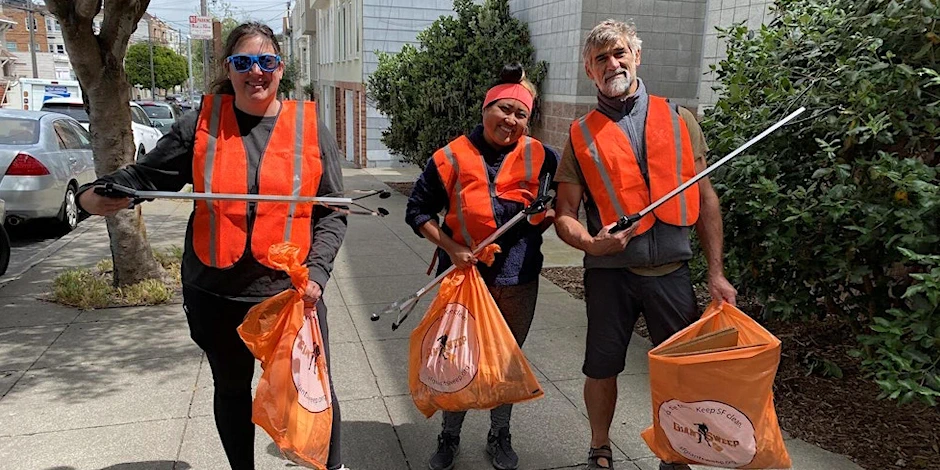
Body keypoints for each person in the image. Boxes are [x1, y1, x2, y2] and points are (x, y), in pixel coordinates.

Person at [76, 22, 349, 470]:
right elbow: (145, 177)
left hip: (292, 296)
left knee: (314, 390)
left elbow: (334, 211)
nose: (255, 71)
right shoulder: (201, 122)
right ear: (229, 68)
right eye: (243, 62)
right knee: (231, 388)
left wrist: (317, 273)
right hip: (215, 294)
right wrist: (97, 194)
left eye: (266, 61)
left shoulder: (310, 126)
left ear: (281, 67)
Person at [552, 20, 738, 470]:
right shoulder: (579, 136)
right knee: (601, 368)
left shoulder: (679, 119)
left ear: (636, 57)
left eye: (619, 53)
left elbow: (706, 197)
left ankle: (676, 452)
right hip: (609, 276)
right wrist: (592, 246)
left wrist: (715, 272)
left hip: (672, 272)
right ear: (589, 71)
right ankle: (599, 446)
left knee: (679, 371)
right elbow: (564, 215)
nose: (612, 63)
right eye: (601, 59)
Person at [405, 63, 559, 470]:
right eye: (503, 109)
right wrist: (451, 246)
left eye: (520, 114)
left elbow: (565, 199)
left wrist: (556, 209)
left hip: (519, 278)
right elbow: (418, 211)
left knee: (506, 361)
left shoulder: (543, 157)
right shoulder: (450, 157)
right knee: (458, 358)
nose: (510, 121)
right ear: (486, 109)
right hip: (464, 278)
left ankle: (499, 434)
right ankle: (449, 435)